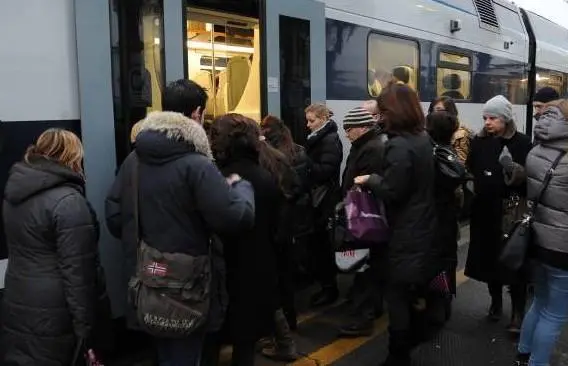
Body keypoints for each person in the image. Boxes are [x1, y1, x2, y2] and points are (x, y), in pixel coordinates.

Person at [106, 111, 255, 366]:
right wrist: (242, 188)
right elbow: (236, 218)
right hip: (188, 282)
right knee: (185, 352)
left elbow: (115, 217)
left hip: (149, 275)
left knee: (163, 348)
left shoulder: (133, 161)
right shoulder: (197, 166)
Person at [354, 84, 438, 366]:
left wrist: (370, 180)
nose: (380, 118)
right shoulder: (422, 138)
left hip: (405, 231)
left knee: (397, 296)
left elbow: (393, 191)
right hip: (422, 225)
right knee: (408, 291)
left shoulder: (400, 145)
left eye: (384, 112)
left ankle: (398, 355)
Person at [2, 129, 98, 365]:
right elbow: (78, 276)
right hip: (56, 310)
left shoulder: (13, 193)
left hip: (18, 296)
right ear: (72, 156)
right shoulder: (68, 202)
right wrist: (87, 333)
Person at [206, 114, 283, 366]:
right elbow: (277, 229)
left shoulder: (211, 177)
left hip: (216, 271)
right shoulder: (265, 177)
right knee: (244, 345)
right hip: (255, 270)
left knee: (211, 343)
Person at [465, 95, 532, 334]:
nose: (487, 122)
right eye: (485, 118)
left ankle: (517, 314)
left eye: (493, 118)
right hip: (484, 210)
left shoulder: (522, 143)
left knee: (514, 263)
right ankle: (495, 303)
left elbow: (529, 179)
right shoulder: (479, 141)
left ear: (505, 118)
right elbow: (471, 167)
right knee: (489, 260)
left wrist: (511, 169)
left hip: (510, 211)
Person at [516, 99, 568, 366]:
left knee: (539, 302)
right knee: (555, 314)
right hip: (562, 246)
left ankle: (523, 352)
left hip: (537, 240)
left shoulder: (536, 150)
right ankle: (538, 363)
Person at [338, 106, 387, 337]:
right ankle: (371, 309)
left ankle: (363, 318)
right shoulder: (367, 145)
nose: (346, 134)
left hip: (364, 216)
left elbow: (364, 185)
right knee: (369, 266)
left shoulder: (371, 149)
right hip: (364, 214)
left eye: (349, 129)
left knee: (365, 267)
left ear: (361, 127)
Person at [304, 103, 343, 308]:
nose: (308, 125)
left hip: (324, 199)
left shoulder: (328, 140)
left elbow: (325, 170)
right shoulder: (322, 138)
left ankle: (330, 289)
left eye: (312, 121)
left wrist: (305, 163)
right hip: (321, 198)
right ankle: (326, 286)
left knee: (324, 246)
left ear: (323, 119)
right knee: (319, 246)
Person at [426, 112, 462, 318]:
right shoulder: (449, 154)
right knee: (447, 260)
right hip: (447, 218)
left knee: (434, 261)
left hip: (433, 218)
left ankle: (435, 306)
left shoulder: (432, 155)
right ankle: (444, 301)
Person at [428, 96, 472, 164]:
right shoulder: (428, 132)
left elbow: (461, 163)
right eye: (433, 111)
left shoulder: (460, 135)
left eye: (440, 111)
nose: (435, 114)